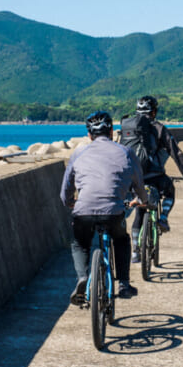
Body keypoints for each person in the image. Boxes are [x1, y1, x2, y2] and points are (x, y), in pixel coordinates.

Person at [60, 109, 147, 305]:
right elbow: (139, 184)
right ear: (111, 132)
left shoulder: (79, 153)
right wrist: (142, 199)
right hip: (113, 212)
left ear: (89, 135)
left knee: (80, 243)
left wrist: (69, 203)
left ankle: (82, 277)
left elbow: (65, 188)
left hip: (83, 211)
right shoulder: (126, 152)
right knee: (121, 240)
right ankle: (124, 283)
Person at [121, 95, 183, 262]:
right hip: (155, 177)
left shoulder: (129, 127)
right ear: (153, 111)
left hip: (133, 179)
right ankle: (163, 218)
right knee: (170, 190)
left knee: (139, 210)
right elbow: (175, 152)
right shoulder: (159, 128)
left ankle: (135, 252)